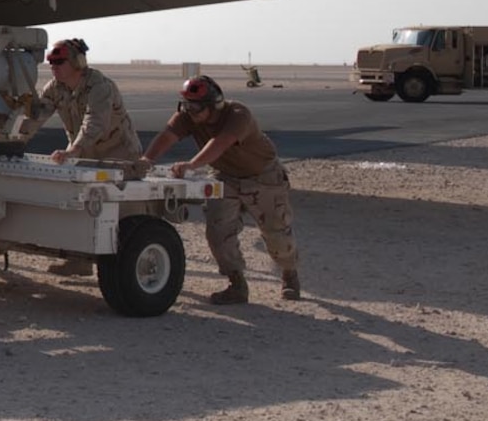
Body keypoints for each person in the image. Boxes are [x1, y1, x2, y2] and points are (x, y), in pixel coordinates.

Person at [137, 74, 302, 304]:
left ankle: (289, 274)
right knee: (218, 232)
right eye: (186, 106)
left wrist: (191, 165)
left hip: (263, 177)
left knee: (277, 234)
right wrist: (147, 160)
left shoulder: (237, 115)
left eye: (195, 107)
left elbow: (220, 144)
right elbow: (167, 135)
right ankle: (237, 284)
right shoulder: (189, 117)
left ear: (213, 105)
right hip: (225, 178)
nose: (189, 112)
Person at [20, 38, 141, 275]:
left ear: (77, 62)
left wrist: (74, 150)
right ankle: (79, 260)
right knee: (76, 202)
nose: (53, 66)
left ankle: (127, 267)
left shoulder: (100, 87)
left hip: (119, 154)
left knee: (122, 212)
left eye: (59, 61)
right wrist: (13, 139)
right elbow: (36, 116)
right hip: (83, 153)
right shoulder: (55, 87)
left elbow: (94, 122)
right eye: (51, 62)